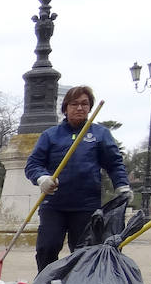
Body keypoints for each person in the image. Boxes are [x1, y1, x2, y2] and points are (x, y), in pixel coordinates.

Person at [24, 85, 131, 273]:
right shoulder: (50, 135)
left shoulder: (100, 135)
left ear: (90, 107)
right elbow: (33, 165)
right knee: (46, 247)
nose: (79, 108)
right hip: (54, 204)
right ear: (65, 108)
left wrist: (122, 185)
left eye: (84, 104)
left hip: (86, 206)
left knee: (84, 252)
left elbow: (114, 163)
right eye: (74, 104)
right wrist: (42, 178)